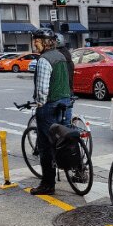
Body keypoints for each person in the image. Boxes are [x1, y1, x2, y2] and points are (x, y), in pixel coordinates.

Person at [30, 28, 71, 195]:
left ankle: (47, 184)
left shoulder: (44, 60)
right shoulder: (61, 56)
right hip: (65, 102)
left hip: (50, 106)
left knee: (45, 145)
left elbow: (42, 90)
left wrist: (39, 103)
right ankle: (75, 167)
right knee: (64, 139)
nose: (34, 44)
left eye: (36, 41)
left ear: (44, 42)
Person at [55, 32, 74, 123]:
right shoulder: (68, 56)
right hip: (69, 90)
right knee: (67, 119)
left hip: (60, 92)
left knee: (57, 120)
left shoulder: (58, 57)